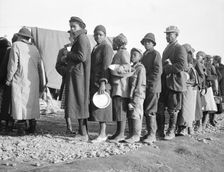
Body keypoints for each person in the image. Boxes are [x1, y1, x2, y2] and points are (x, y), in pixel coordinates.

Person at [6, 27, 42, 135]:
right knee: (31, 102)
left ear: (20, 36)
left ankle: (21, 127)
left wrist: (8, 78)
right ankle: (32, 125)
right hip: (33, 79)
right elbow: (40, 65)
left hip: (20, 77)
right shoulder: (34, 48)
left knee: (19, 102)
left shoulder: (16, 45)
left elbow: (13, 64)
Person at [64, 16, 91, 141]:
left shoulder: (81, 38)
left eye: (74, 26)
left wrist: (68, 54)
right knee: (79, 103)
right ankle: (82, 132)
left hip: (79, 76)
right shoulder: (80, 38)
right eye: (71, 27)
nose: (72, 29)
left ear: (81, 26)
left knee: (80, 102)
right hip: (78, 74)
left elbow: (81, 57)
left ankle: (83, 133)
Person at [161, 26, 187, 140]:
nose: (167, 36)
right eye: (166, 34)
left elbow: (182, 65)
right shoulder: (167, 48)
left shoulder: (179, 48)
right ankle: (160, 131)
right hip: (165, 83)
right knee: (162, 108)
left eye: (170, 34)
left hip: (175, 83)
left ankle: (171, 132)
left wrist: (167, 68)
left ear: (176, 35)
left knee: (173, 109)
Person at [89, 25, 113, 143]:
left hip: (101, 82)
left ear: (105, 35)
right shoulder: (96, 48)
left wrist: (103, 82)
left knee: (102, 106)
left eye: (100, 34)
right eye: (96, 34)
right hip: (94, 81)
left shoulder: (106, 47)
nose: (98, 36)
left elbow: (106, 66)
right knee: (98, 106)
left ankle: (103, 134)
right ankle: (101, 133)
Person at [140, 33, 162, 143]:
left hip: (153, 86)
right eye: (145, 42)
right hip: (146, 86)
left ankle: (152, 135)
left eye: (149, 42)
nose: (146, 44)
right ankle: (149, 132)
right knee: (147, 110)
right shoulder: (145, 54)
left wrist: (148, 82)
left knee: (150, 111)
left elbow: (158, 71)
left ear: (153, 43)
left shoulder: (155, 54)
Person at [109, 33, 130, 142]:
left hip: (121, 87)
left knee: (121, 110)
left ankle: (121, 133)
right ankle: (118, 132)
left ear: (118, 43)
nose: (113, 44)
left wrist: (119, 68)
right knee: (118, 110)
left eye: (114, 42)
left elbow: (127, 66)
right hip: (117, 86)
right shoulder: (119, 53)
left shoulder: (123, 53)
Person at [125, 48, 146, 143]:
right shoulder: (132, 68)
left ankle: (136, 136)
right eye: (131, 55)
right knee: (131, 114)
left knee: (136, 114)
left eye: (135, 55)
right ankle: (131, 134)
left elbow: (140, 85)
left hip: (138, 95)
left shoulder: (140, 68)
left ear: (140, 57)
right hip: (131, 95)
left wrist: (136, 96)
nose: (132, 57)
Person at [177, 44, 198, 135]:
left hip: (189, 91)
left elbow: (194, 80)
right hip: (182, 89)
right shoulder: (181, 64)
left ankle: (186, 127)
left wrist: (187, 83)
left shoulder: (190, 67)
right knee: (181, 109)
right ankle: (182, 127)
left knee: (187, 109)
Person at [55, 31, 74, 133]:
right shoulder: (63, 50)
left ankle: (81, 128)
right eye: (71, 35)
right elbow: (58, 65)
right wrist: (67, 72)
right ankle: (69, 127)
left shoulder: (81, 49)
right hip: (67, 80)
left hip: (78, 80)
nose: (73, 37)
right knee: (67, 103)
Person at [0, 34, 18, 132]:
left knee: (5, 102)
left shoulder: (10, 50)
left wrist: (4, 79)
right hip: (18, 82)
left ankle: (3, 123)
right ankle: (11, 123)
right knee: (13, 102)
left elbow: (4, 67)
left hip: (7, 80)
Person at [202, 55, 218, 129]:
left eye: (210, 60)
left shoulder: (211, 67)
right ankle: (202, 124)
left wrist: (207, 76)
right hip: (201, 87)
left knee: (207, 107)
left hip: (208, 88)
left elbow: (215, 77)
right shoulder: (201, 64)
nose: (210, 61)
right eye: (209, 59)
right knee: (202, 107)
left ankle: (204, 124)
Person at [194, 51, 207, 131]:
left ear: (202, 57)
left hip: (199, 87)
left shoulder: (198, 64)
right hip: (201, 87)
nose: (197, 57)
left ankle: (199, 125)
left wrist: (202, 87)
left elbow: (202, 77)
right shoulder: (200, 64)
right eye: (196, 56)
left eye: (199, 56)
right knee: (199, 106)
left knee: (198, 106)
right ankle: (198, 124)